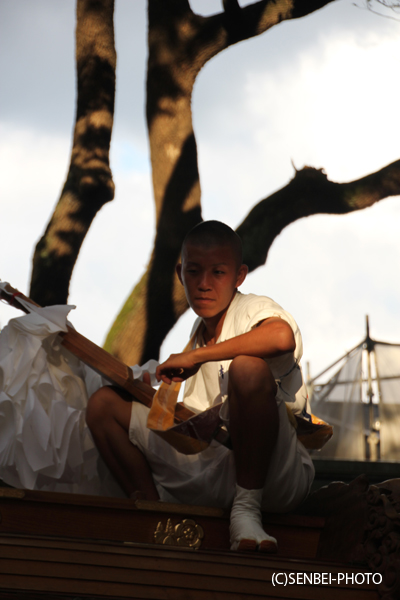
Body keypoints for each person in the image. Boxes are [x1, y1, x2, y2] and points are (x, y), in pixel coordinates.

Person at [86, 220, 314, 553]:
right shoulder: (197, 330)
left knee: (248, 368)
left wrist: (199, 357)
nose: (204, 284)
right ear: (181, 273)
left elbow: (281, 337)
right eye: (194, 272)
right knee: (102, 405)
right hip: (216, 464)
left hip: (274, 476)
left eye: (218, 273)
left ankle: (247, 510)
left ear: (239, 276)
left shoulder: (250, 308)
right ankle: (153, 517)